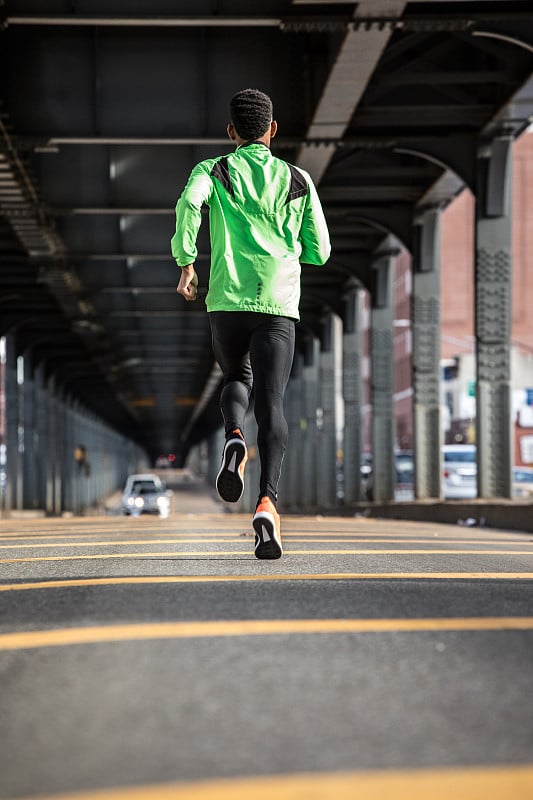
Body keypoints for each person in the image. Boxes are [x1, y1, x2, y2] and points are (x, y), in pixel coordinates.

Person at [171, 88, 330, 559]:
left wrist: (187, 262)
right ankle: (267, 503)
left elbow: (189, 206)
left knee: (236, 377)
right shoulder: (297, 179)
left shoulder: (213, 170)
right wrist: (285, 249)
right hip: (278, 303)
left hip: (226, 299)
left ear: (231, 133)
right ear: (272, 131)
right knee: (272, 400)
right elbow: (320, 250)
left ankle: (234, 438)